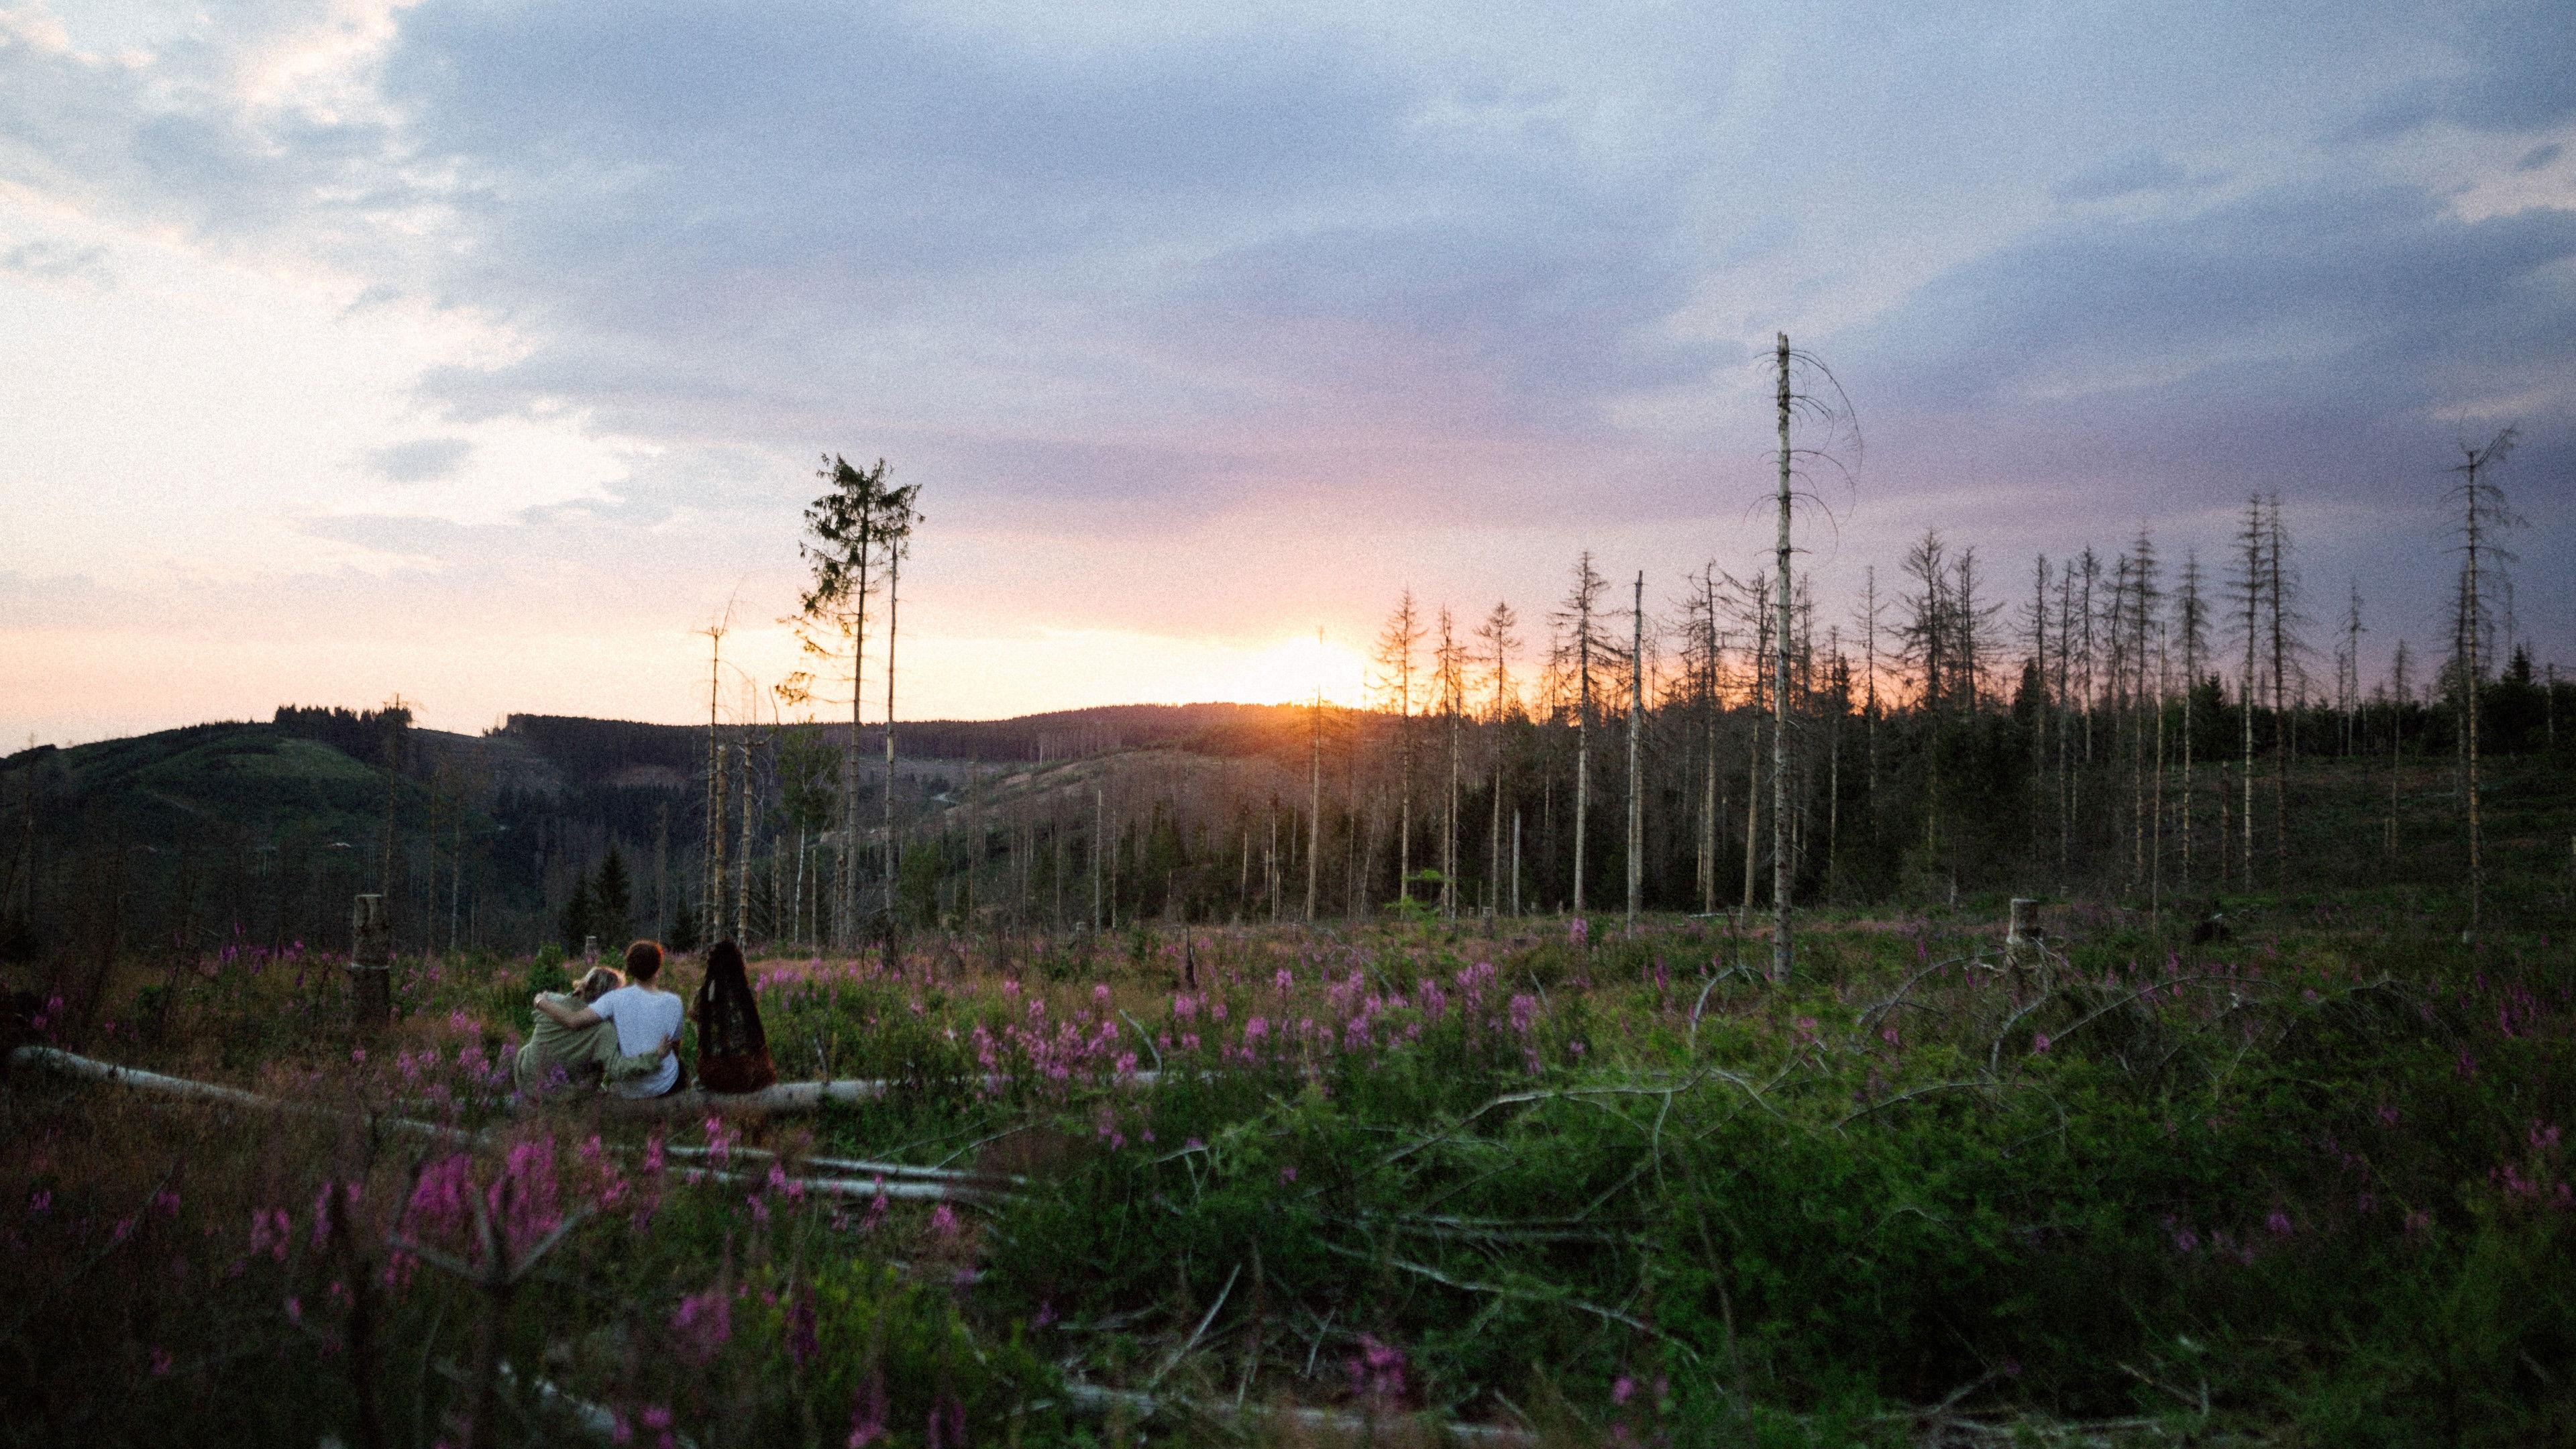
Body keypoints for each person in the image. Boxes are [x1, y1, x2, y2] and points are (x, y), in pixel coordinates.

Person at [534, 940, 686, 1099]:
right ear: (658, 968)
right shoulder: (675, 1002)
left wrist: (540, 1001)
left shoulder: (613, 999)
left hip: (629, 1089)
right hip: (665, 1086)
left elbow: (574, 1021)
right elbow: (674, 1049)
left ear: (629, 968)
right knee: (679, 1069)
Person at [513, 965, 672, 1097]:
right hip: (561, 1096)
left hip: (526, 1078)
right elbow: (618, 1070)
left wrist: (541, 1000)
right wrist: (656, 1056)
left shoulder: (551, 1001)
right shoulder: (603, 1031)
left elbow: (545, 1001)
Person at [692, 940, 777, 1093]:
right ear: (739, 965)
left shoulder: (703, 995)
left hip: (716, 1075)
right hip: (751, 1073)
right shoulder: (749, 994)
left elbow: (693, 1015)